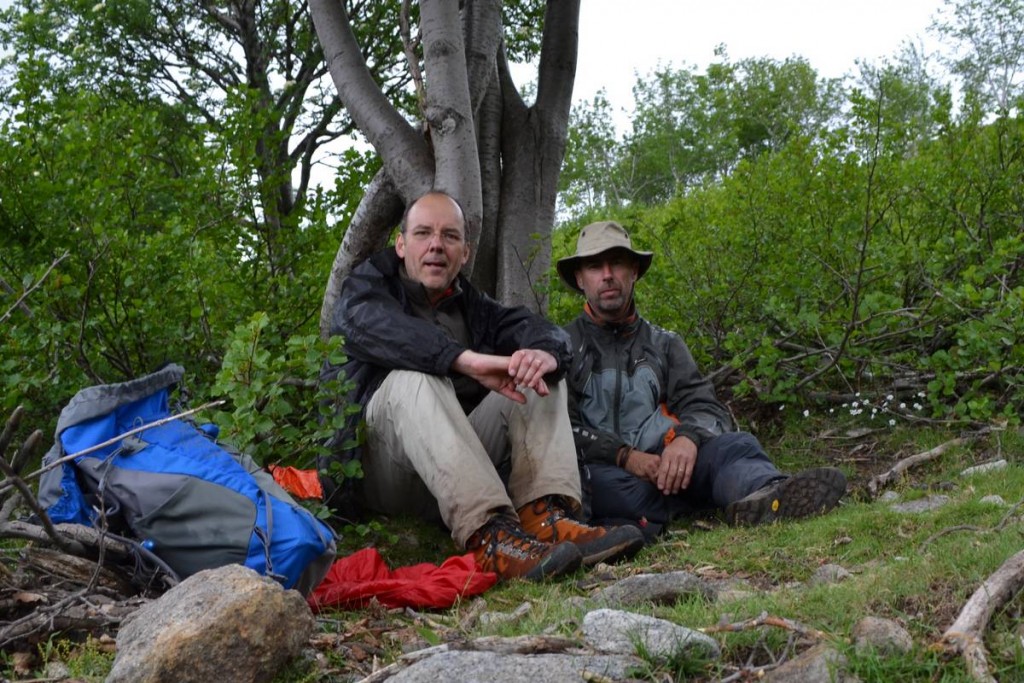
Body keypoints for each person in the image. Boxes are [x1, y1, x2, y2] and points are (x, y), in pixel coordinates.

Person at [319, 192, 643, 582]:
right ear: (401, 244)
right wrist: (465, 360)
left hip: (451, 477)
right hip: (382, 476)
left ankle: (545, 518)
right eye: (423, 233)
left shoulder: (473, 306)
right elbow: (388, 332)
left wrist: (547, 355)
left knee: (536, 374)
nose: (436, 244)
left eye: (450, 236)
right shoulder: (364, 291)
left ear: (465, 252)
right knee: (413, 380)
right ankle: (491, 537)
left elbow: (539, 330)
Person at [556, 220, 847, 535]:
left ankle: (770, 493)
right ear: (580, 279)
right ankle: (699, 503)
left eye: (617, 263)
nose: (608, 275)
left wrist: (686, 439)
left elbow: (705, 405)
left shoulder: (665, 344)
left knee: (737, 446)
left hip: (670, 463)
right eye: (595, 266)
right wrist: (625, 456)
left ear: (635, 271)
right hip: (608, 472)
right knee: (596, 486)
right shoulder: (561, 346)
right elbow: (561, 431)